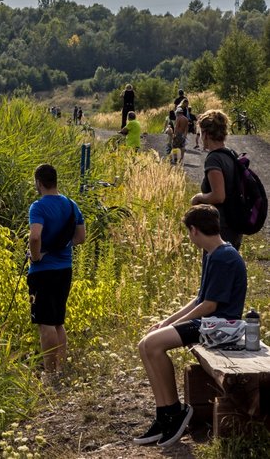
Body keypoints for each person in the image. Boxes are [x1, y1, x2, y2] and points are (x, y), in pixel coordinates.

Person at [134, 204, 247, 447]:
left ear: (194, 230)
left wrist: (174, 325)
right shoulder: (212, 253)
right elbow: (199, 299)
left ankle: (177, 411)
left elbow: (209, 306)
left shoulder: (225, 257)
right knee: (145, 344)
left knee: (153, 345)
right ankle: (164, 414)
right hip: (211, 323)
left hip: (224, 327)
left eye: (188, 231)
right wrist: (167, 322)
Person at [27, 164, 86, 376]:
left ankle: (50, 374)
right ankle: (61, 369)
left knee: (45, 323)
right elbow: (80, 238)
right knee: (58, 321)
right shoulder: (71, 205)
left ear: (38, 183)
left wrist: (36, 256)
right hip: (65, 269)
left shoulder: (38, 207)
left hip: (43, 271)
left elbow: (35, 236)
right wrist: (61, 247)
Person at [190, 109, 242, 249]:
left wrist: (198, 197)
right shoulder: (231, 154)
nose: (200, 138)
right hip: (234, 224)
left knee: (216, 268)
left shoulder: (213, 159)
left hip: (219, 229)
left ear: (206, 134)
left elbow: (219, 196)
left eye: (200, 133)